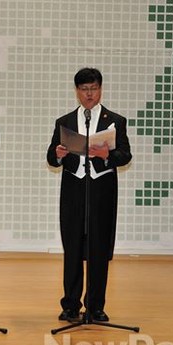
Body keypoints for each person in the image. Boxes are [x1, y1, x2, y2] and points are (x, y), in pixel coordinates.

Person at [46, 67, 132, 322]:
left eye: (93, 88)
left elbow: (125, 155)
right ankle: (71, 305)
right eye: (84, 89)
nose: (89, 94)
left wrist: (107, 156)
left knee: (98, 249)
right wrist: (58, 155)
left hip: (101, 191)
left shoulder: (115, 121)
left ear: (100, 89)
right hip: (73, 190)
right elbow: (51, 157)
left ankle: (95, 306)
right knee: (72, 247)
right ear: (77, 91)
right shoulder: (64, 122)